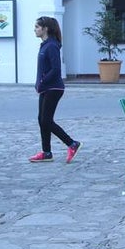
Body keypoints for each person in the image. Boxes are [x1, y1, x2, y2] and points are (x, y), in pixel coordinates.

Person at [29, 16, 81, 164]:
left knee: (46, 120)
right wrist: (39, 83)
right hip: (45, 88)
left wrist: (42, 81)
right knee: (42, 119)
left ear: (45, 29)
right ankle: (46, 152)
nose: (35, 29)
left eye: (37, 27)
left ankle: (72, 144)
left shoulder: (51, 46)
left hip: (54, 88)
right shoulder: (45, 45)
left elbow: (56, 69)